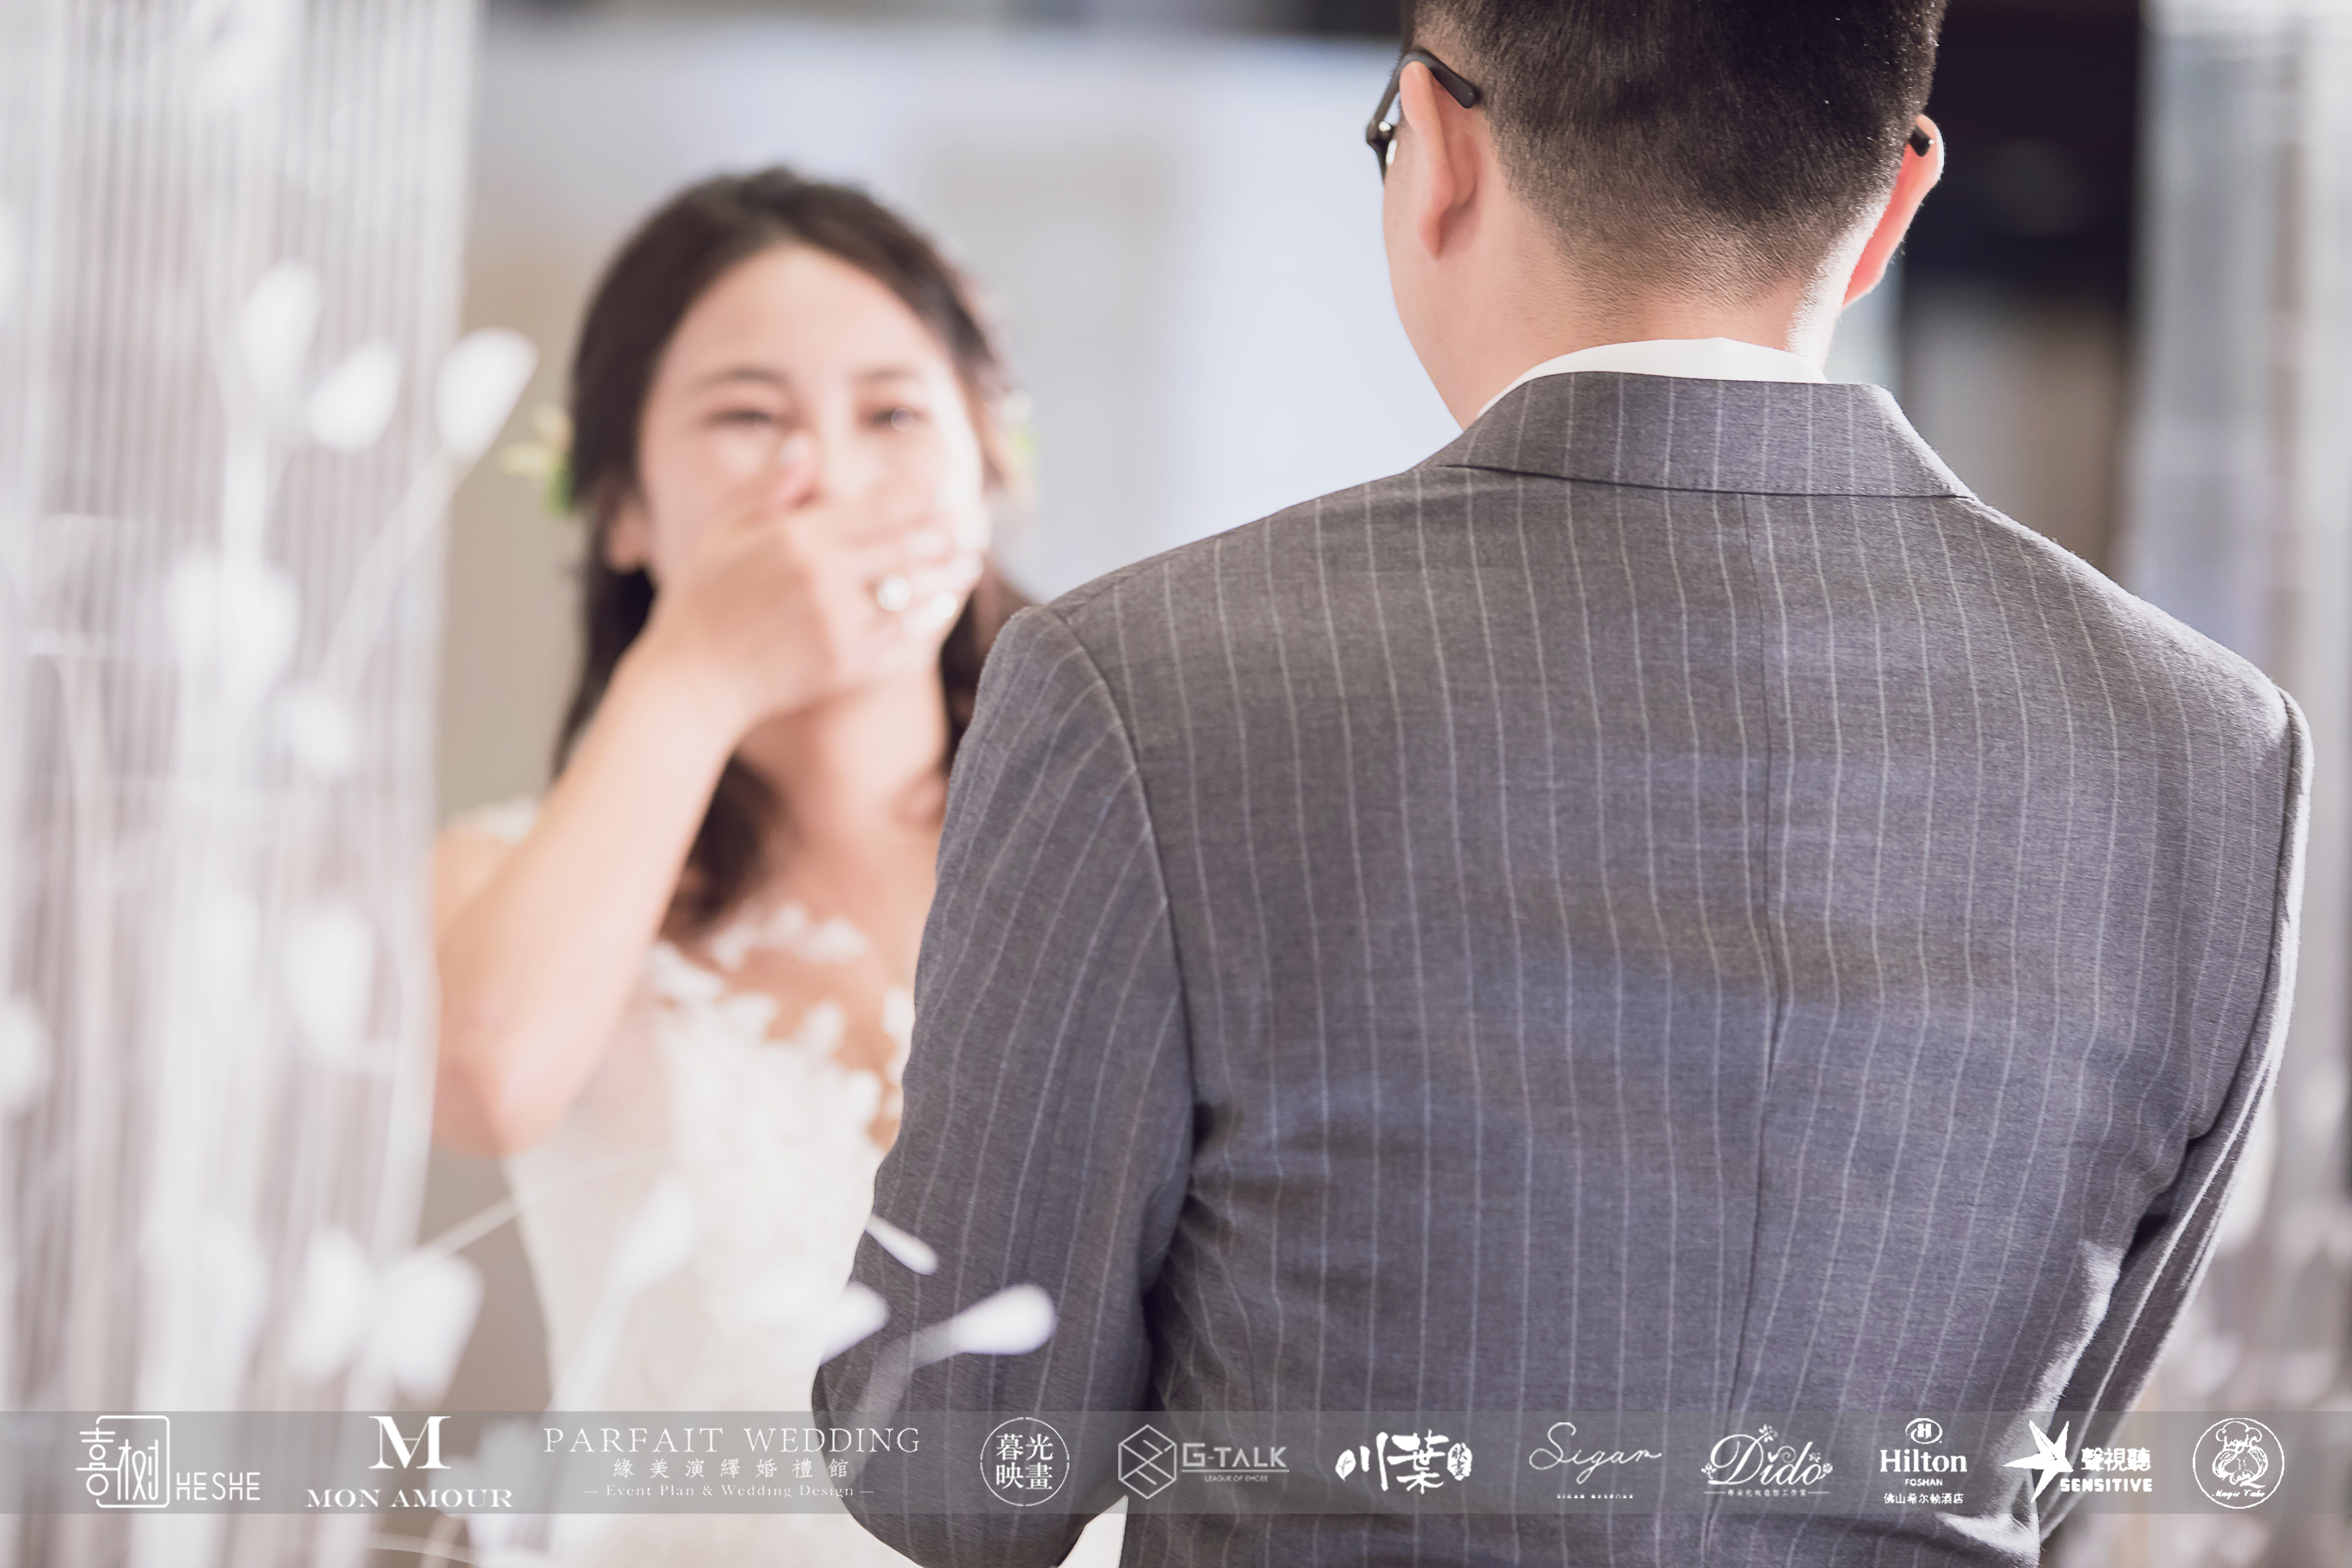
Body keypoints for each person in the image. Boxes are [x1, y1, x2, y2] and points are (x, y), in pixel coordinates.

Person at [816, 4, 2308, 1565]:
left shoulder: (1140, 683)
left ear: (1437, 148)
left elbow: (950, 1471)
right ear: (1895, 202)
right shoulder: (2214, 751)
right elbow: (2053, 1469)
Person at [429, 170, 1124, 1566]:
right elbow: (490, 1082)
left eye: (893, 415)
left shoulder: (1120, 843)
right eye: (749, 418)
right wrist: (699, 668)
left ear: (990, 472)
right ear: (621, 506)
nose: (827, 475)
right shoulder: (500, 869)